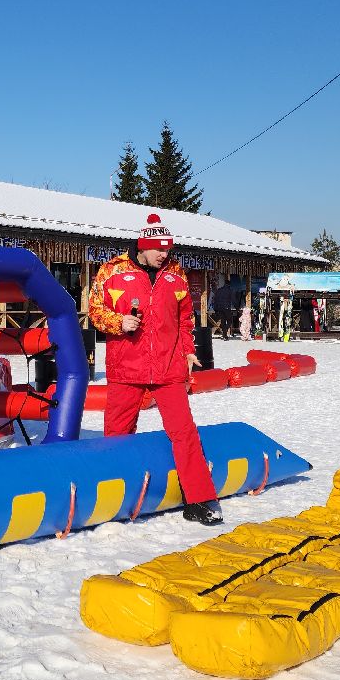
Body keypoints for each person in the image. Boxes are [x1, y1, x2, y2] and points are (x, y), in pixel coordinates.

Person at [89, 212, 222, 526]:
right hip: (126, 367)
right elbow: (95, 311)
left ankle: (199, 499)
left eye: (168, 248)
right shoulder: (111, 271)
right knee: (117, 435)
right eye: (159, 248)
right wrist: (118, 322)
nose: (165, 254)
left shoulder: (176, 275)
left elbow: (185, 319)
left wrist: (189, 352)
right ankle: (116, 498)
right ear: (143, 246)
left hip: (168, 368)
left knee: (185, 433)